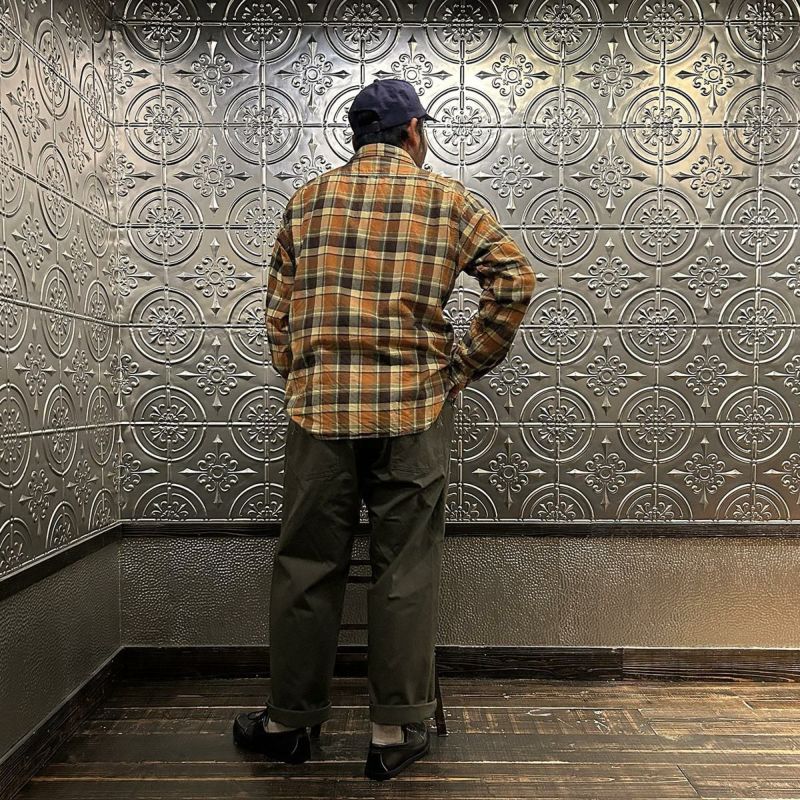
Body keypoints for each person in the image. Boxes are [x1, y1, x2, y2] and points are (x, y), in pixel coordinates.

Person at [232, 78, 536, 780]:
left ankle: (288, 724)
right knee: (404, 568)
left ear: (357, 134)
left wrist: (301, 372)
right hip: (414, 411)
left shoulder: (307, 201)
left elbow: (277, 310)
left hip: (319, 412)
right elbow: (515, 282)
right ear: (412, 132)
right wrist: (460, 365)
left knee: (307, 565)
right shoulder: (448, 200)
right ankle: (392, 733)